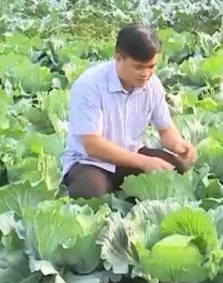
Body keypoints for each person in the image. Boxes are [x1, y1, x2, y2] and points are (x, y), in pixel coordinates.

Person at [61, 24, 197, 198]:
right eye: (139, 67)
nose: (146, 74)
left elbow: (165, 129)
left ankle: (124, 188)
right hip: (90, 162)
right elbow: (92, 145)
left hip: (132, 155)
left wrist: (178, 145)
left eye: (152, 66)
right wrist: (144, 162)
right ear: (118, 58)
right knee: (90, 192)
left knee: (177, 170)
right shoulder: (89, 85)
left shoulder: (153, 84)